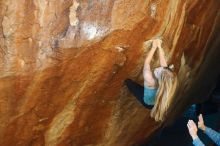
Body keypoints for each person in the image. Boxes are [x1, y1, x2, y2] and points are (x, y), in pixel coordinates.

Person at [124, 38, 178, 121]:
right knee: (165, 69)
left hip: (147, 102)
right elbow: (163, 65)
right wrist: (159, 47)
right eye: (162, 68)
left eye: (159, 71)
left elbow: (146, 63)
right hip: (156, 98)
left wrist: (153, 47)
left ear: (160, 78)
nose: (158, 68)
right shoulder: (167, 80)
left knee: (128, 82)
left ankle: (126, 82)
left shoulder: (149, 79)